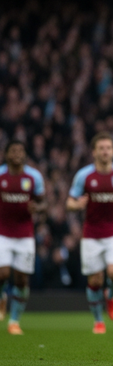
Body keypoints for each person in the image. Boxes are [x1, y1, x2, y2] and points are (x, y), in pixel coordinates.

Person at [66, 132, 113, 334]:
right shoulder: (84, 176)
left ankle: (111, 296)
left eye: (109, 148)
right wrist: (77, 205)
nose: (105, 151)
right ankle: (98, 321)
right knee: (95, 280)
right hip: (91, 234)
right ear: (94, 152)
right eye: (101, 148)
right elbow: (69, 202)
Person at [0, 140, 46, 335]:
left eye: (20, 150)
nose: (17, 154)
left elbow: (44, 204)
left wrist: (37, 208)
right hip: (3, 233)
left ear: (25, 154)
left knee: (21, 280)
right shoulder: (1, 174)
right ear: (7, 154)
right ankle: (2, 296)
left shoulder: (33, 176)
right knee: (2, 273)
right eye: (13, 151)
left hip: (25, 234)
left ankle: (14, 321)